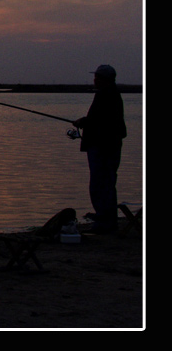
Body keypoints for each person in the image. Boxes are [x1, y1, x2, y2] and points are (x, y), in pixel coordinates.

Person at [73, 64, 127, 234]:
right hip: (107, 146)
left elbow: (101, 121)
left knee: (101, 183)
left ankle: (105, 221)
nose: (94, 80)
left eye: (97, 77)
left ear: (105, 79)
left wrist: (84, 122)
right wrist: (85, 121)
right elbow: (100, 120)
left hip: (103, 147)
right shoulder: (110, 94)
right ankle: (107, 219)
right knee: (106, 183)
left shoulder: (107, 95)